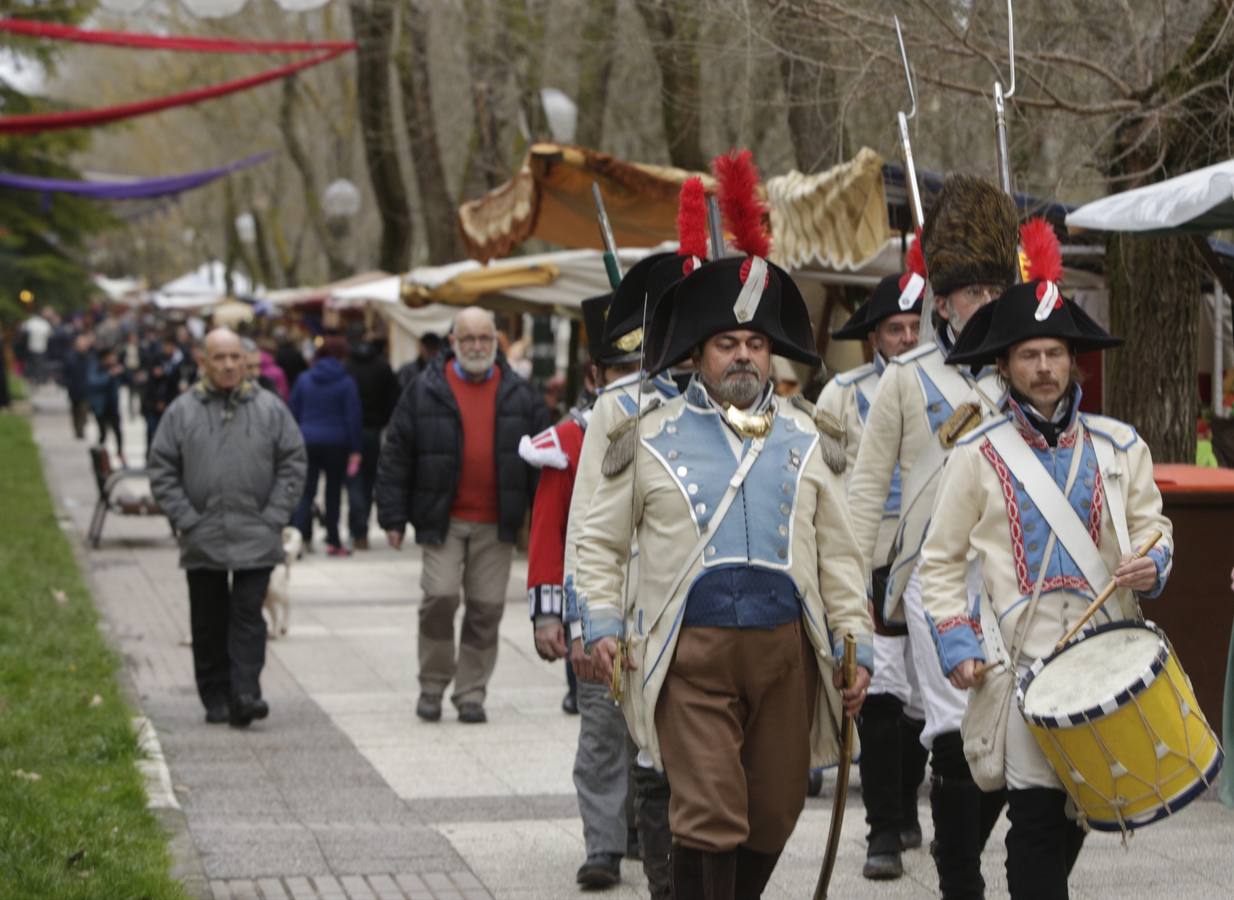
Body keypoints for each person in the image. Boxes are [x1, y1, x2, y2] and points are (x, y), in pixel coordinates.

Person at [576, 151, 872, 899]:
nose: (744, 355)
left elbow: (838, 554)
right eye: (727, 345)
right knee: (709, 812)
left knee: (771, 814)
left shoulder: (807, 439)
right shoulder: (642, 434)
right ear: (699, 355)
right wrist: (601, 621)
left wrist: (852, 639)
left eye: (756, 344)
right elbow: (601, 539)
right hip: (691, 655)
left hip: (786, 654)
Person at [917, 237, 1173, 899]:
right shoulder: (975, 454)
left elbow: (1154, 530)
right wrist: (957, 642)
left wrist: (1153, 562)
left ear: (1072, 361)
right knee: (1032, 818)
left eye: (1055, 353)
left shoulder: (1121, 445)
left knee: (1079, 814)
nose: (1044, 367)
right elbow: (939, 562)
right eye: (1029, 355)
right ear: (1004, 364)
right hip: (1020, 668)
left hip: (1107, 661)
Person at [845, 173, 1020, 899]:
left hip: (1012, 571)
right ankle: (961, 879)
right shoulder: (905, 379)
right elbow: (863, 490)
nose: (982, 307)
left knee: (1013, 729)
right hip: (929, 574)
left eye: (992, 293)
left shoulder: (1027, 370)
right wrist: (850, 591)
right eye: (969, 295)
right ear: (940, 301)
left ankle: (961, 847)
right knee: (955, 720)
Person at [521, 288, 675, 895]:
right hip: (596, 610)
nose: (631, 382)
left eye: (642, 368)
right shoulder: (573, 437)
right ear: (595, 374)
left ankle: (643, 831)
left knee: (655, 734)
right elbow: (550, 533)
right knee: (604, 734)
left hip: (658, 610)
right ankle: (603, 846)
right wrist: (552, 615)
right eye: (619, 370)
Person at [377, 307, 550, 725]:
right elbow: (395, 454)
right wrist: (393, 517)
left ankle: (471, 692)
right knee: (439, 597)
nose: (476, 346)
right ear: (452, 343)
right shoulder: (424, 389)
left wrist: (542, 524)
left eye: (484, 339)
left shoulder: (521, 395)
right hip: (442, 517)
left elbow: (543, 464)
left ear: (496, 343)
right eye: (468, 339)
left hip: (497, 521)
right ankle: (432, 685)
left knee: (486, 607)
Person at [817, 252, 928, 880]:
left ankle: (907, 803)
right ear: (874, 336)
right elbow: (830, 486)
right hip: (871, 559)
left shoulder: (944, 386)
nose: (907, 338)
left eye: (916, 326)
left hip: (935, 560)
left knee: (924, 703)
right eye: (895, 328)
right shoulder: (841, 394)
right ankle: (882, 829)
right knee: (880, 696)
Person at [148, 328, 306, 727]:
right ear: (203, 361)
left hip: (257, 532)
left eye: (235, 356)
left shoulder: (270, 408)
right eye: (219, 358)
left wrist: (274, 515)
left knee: (248, 615)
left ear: (246, 360)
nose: (229, 365)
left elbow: (293, 461)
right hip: (203, 535)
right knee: (209, 618)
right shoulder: (182, 411)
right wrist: (187, 518)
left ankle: (245, 693)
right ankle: (215, 694)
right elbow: (162, 468)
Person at [290, 336, 363, 556]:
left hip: (307, 440)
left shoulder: (304, 379)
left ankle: (299, 540)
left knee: (306, 493)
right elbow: (353, 417)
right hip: (337, 442)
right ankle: (333, 541)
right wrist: (355, 449)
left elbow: (293, 411)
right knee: (333, 493)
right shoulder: (346, 381)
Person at [345, 335, 399, 550]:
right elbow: (393, 398)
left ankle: (357, 528)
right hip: (374, 431)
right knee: (367, 481)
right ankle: (360, 530)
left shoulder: (348, 366)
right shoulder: (382, 367)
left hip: (350, 433)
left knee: (354, 481)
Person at [87, 345, 127, 465]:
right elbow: (94, 382)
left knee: (118, 431)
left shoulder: (114, 367)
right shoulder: (96, 367)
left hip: (113, 405)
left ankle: (120, 453)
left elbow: (127, 380)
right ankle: (101, 458)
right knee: (103, 433)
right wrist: (109, 374)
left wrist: (123, 372)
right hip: (101, 406)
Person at [63, 332, 94, 439]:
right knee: (75, 410)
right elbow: (65, 372)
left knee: (84, 411)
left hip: (86, 389)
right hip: (74, 388)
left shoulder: (90, 357)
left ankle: (81, 430)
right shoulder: (70, 357)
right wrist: (66, 383)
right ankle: (77, 429)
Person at [20, 308, 53, 385]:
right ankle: (39, 378)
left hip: (33, 347)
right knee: (39, 364)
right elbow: (50, 334)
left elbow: (23, 329)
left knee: (33, 364)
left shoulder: (31, 322)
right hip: (41, 348)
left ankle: (34, 378)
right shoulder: (44, 323)